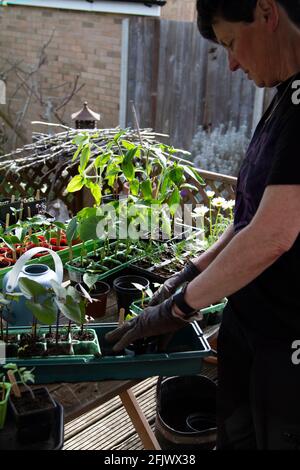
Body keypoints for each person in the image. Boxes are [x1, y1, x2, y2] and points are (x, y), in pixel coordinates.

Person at [106, 0, 300, 449]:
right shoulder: (283, 99)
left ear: (267, 14)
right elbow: (249, 219)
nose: (231, 63)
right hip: (249, 327)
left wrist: (178, 308)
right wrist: (188, 274)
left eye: (232, 42)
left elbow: (274, 234)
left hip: (286, 348)